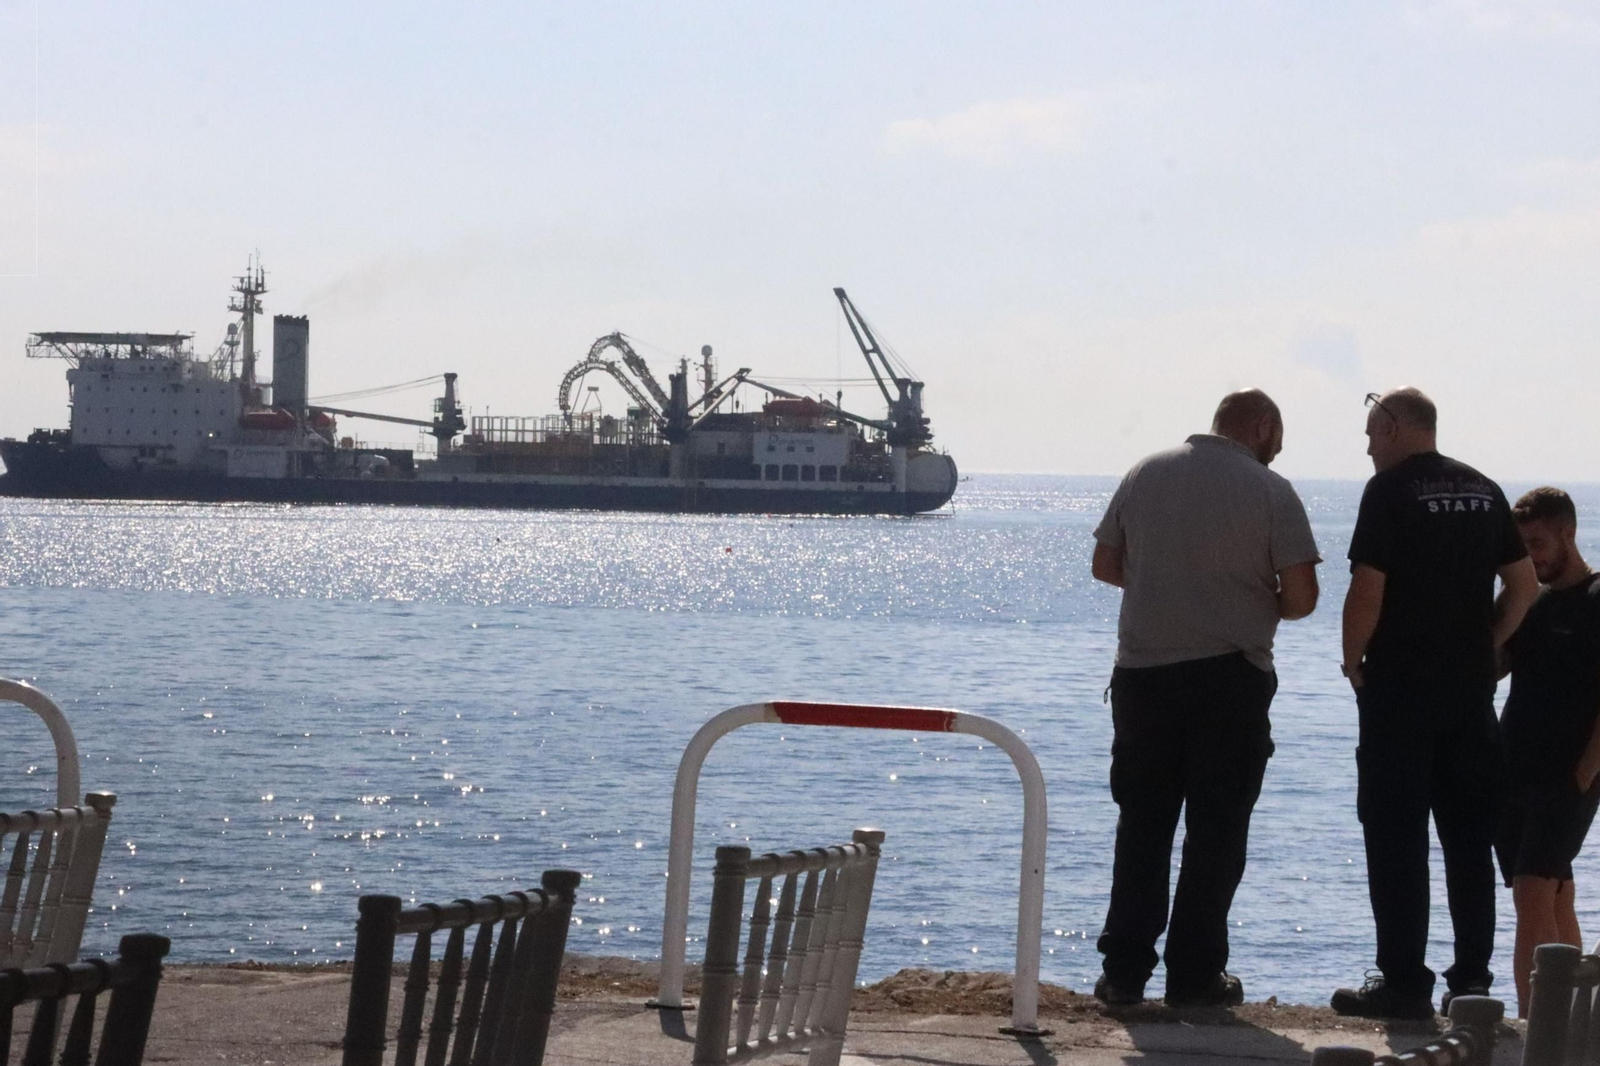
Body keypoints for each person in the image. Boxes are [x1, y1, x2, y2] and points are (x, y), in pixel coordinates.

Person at [1090, 389, 1321, 1008]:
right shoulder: (1271, 490)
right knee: (1216, 831)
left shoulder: (1146, 471)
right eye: (1279, 435)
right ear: (1264, 426)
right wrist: (1243, 601)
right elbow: (1301, 597)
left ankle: (1125, 972)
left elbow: (1105, 564)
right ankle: (1194, 976)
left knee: (1142, 825)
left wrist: (1167, 585)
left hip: (1143, 676)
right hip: (1229, 678)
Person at [1332, 387, 1539, 1020]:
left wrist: (1353, 660)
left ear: (1394, 428)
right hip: (1470, 694)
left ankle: (1403, 984)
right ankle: (1471, 982)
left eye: (1372, 434)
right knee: (1469, 841)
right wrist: (1486, 645)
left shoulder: (1389, 491)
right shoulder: (1484, 488)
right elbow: (1525, 586)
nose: (1368, 447)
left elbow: (1368, 588)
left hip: (1400, 691)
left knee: (1397, 838)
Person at [1496, 487, 1600, 1016]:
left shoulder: (1597, 597)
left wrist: (1585, 773)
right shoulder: (1528, 598)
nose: (1530, 556)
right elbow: (1491, 665)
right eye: (1521, 547)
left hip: (1568, 775)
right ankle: (1576, 1020)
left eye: (1537, 543)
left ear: (1567, 533)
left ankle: (1532, 1023)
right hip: (1512, 767)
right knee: (1554, 894)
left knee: (1531, 895)